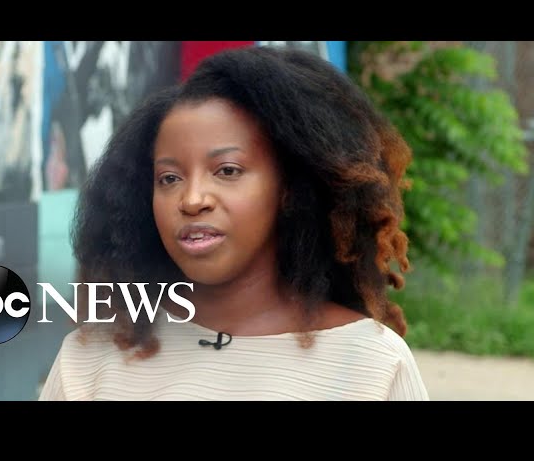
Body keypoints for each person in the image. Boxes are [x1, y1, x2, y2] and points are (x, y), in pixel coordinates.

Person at [38, 45, 430, 401]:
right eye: (169, 178)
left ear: (290, 188)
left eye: (227, 170)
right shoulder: (91, 359)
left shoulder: (370, 364)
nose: (192, 199)